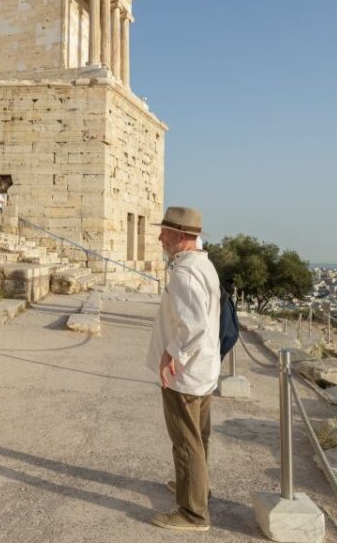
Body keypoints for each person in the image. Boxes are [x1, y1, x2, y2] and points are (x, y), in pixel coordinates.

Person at [145, 206, 220, 533]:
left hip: (185, 372)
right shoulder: (202, 265)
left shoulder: (184, 274)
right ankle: (195, 488)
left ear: (180, 236)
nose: (160, 236)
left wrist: (170, 355)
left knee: (185, 439)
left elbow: (194, 327)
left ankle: (193, 513)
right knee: (198, 436)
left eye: (165, 231)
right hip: (202, 368)